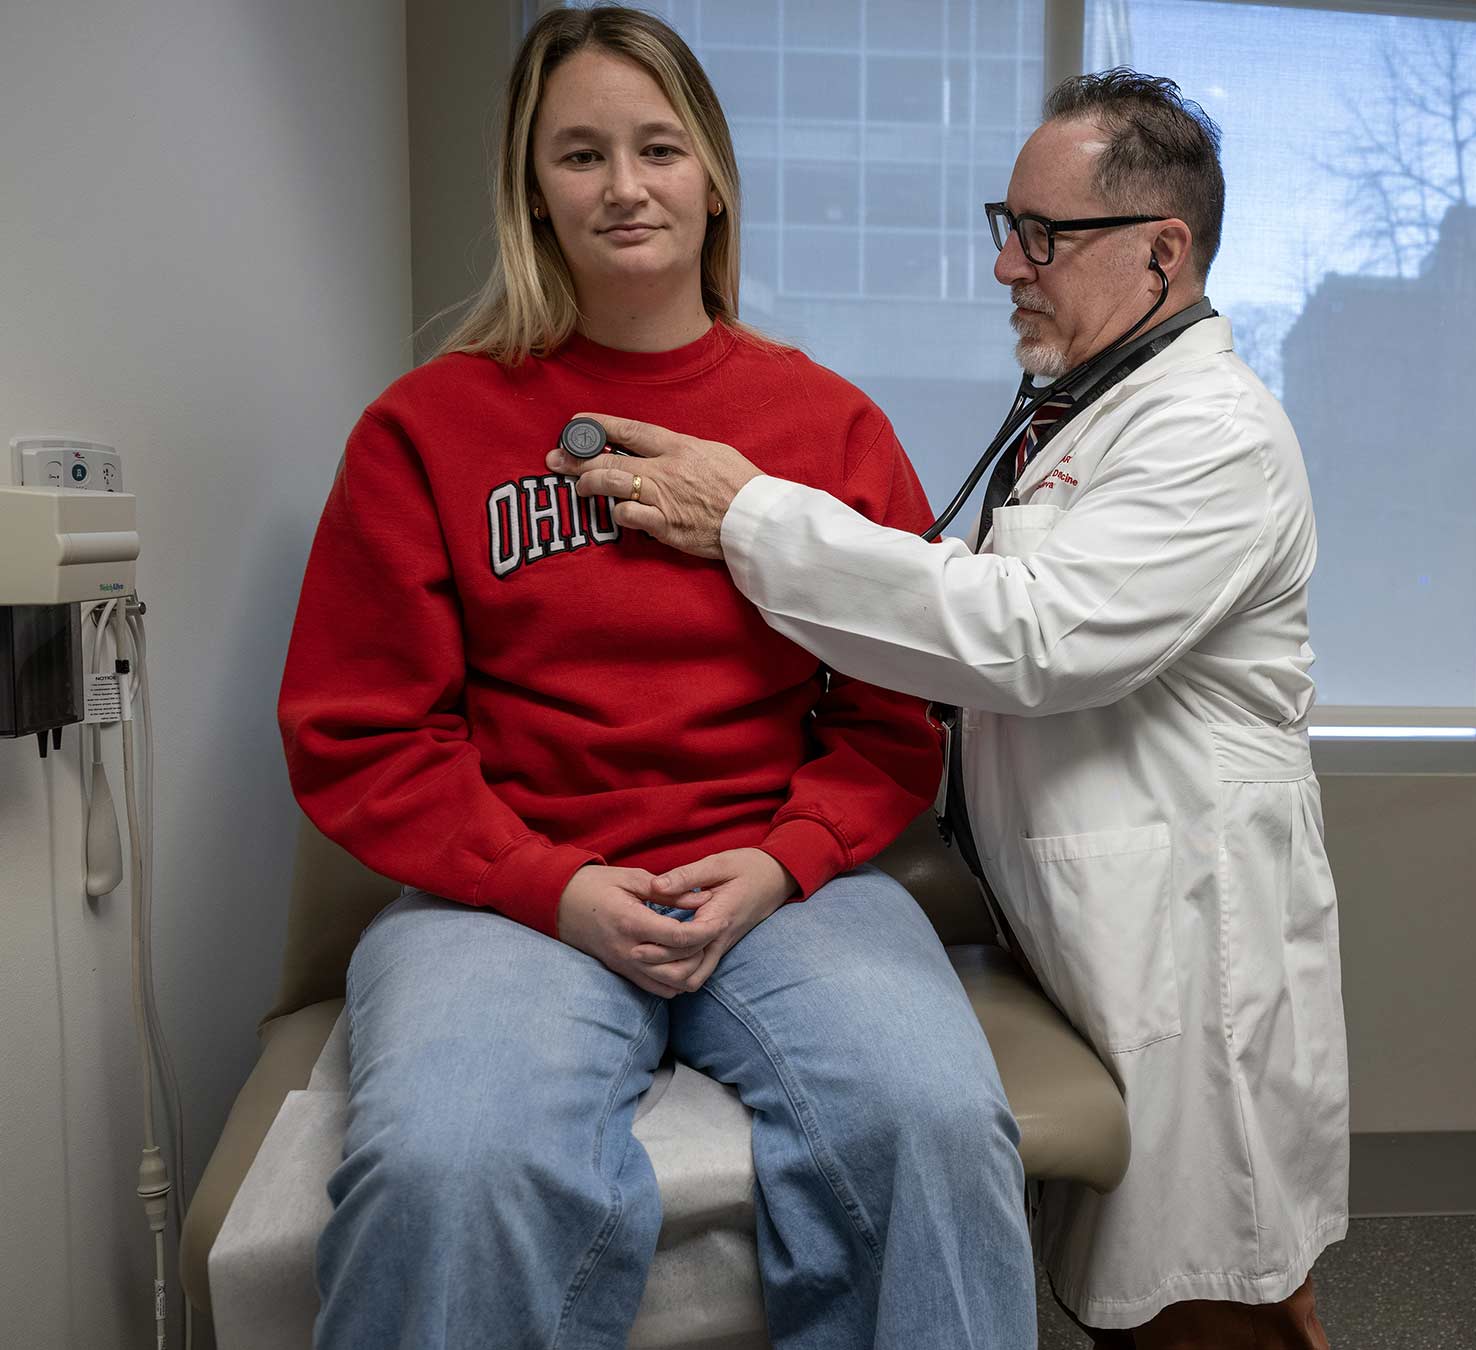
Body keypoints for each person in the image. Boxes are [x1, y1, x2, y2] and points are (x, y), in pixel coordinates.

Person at [543, 69, 1349, 1347]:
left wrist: (745, 512)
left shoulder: (1217, 436)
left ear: (1162, 250)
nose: (1006, 267)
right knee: (1122, 1291)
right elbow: (976, 596)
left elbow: (1032, 633)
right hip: (1079, 916)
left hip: (1190, 933)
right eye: (1004, 225)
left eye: (1045, 236)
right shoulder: (1090, 409)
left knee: (1216, 1301)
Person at [274, 9, 1033, 1348]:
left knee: (936, 1120)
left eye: (658, 148)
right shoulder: (425, 429)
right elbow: (367, 730)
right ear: (532, 193)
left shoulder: (826, 423)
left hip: (775, 880)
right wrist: (546, 884)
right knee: (445, 1164)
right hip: (513, 890)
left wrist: (785, 858)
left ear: (715, 176)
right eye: (580, 155)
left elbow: (897, 702)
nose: (624, 186)